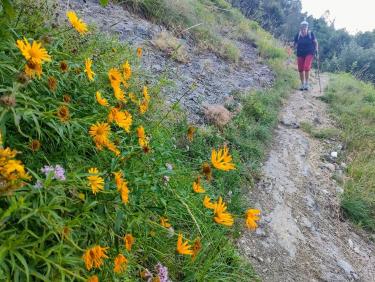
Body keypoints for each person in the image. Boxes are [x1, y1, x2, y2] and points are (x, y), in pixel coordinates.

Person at [294, 21, 319, 90]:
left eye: (305, 28)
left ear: (307, 28)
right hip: (300, 53)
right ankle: (302, 84)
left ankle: (307, 84)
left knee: (306, 67)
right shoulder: (298, 35)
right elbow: (295, 44)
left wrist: (316, 50)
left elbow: (316, 42)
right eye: (302, 29)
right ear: (300, 28)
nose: (303, 30)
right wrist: (291, 48)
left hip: (309, 52)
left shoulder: (311, 34)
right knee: (300, 69)